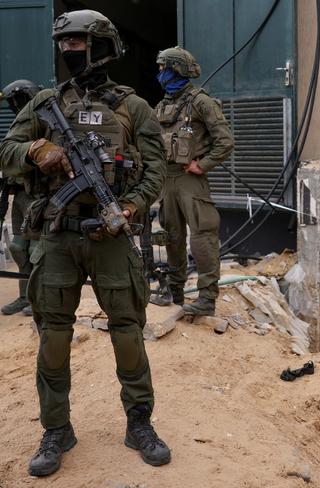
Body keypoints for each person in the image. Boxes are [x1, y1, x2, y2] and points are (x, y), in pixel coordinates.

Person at [0, 10, 170, 476]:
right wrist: (37, 150)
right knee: (53, 336)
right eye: (64, 44)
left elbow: (156, 171)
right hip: (58, 236)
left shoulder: (133, 107)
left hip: (112, 236)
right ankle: (57, 430)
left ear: (101, 47)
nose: (69, 51)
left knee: (128, 334)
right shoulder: (45, 104)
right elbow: (6, 152)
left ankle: (139, 424)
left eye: (78, 43)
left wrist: (130, 209)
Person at [149, 46, 234, 316]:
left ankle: (207, 299)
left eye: (164, 68)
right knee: (172, 237)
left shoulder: (201, 102)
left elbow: (225, 141)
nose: (160, 73)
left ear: (177, 69)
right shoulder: (161, 106)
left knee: (202, 236)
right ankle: (175, 293)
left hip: (190, 179)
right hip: (167, 180)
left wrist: (204, 164)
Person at [0, 79, 40, 316]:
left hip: (35, 196)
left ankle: (38, 298)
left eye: (16, 101)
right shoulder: (18, 125)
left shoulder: (42, 124)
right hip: (18, 194)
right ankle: (24, 296)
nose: (13, 106)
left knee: (36, 248)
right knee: (18, 247)